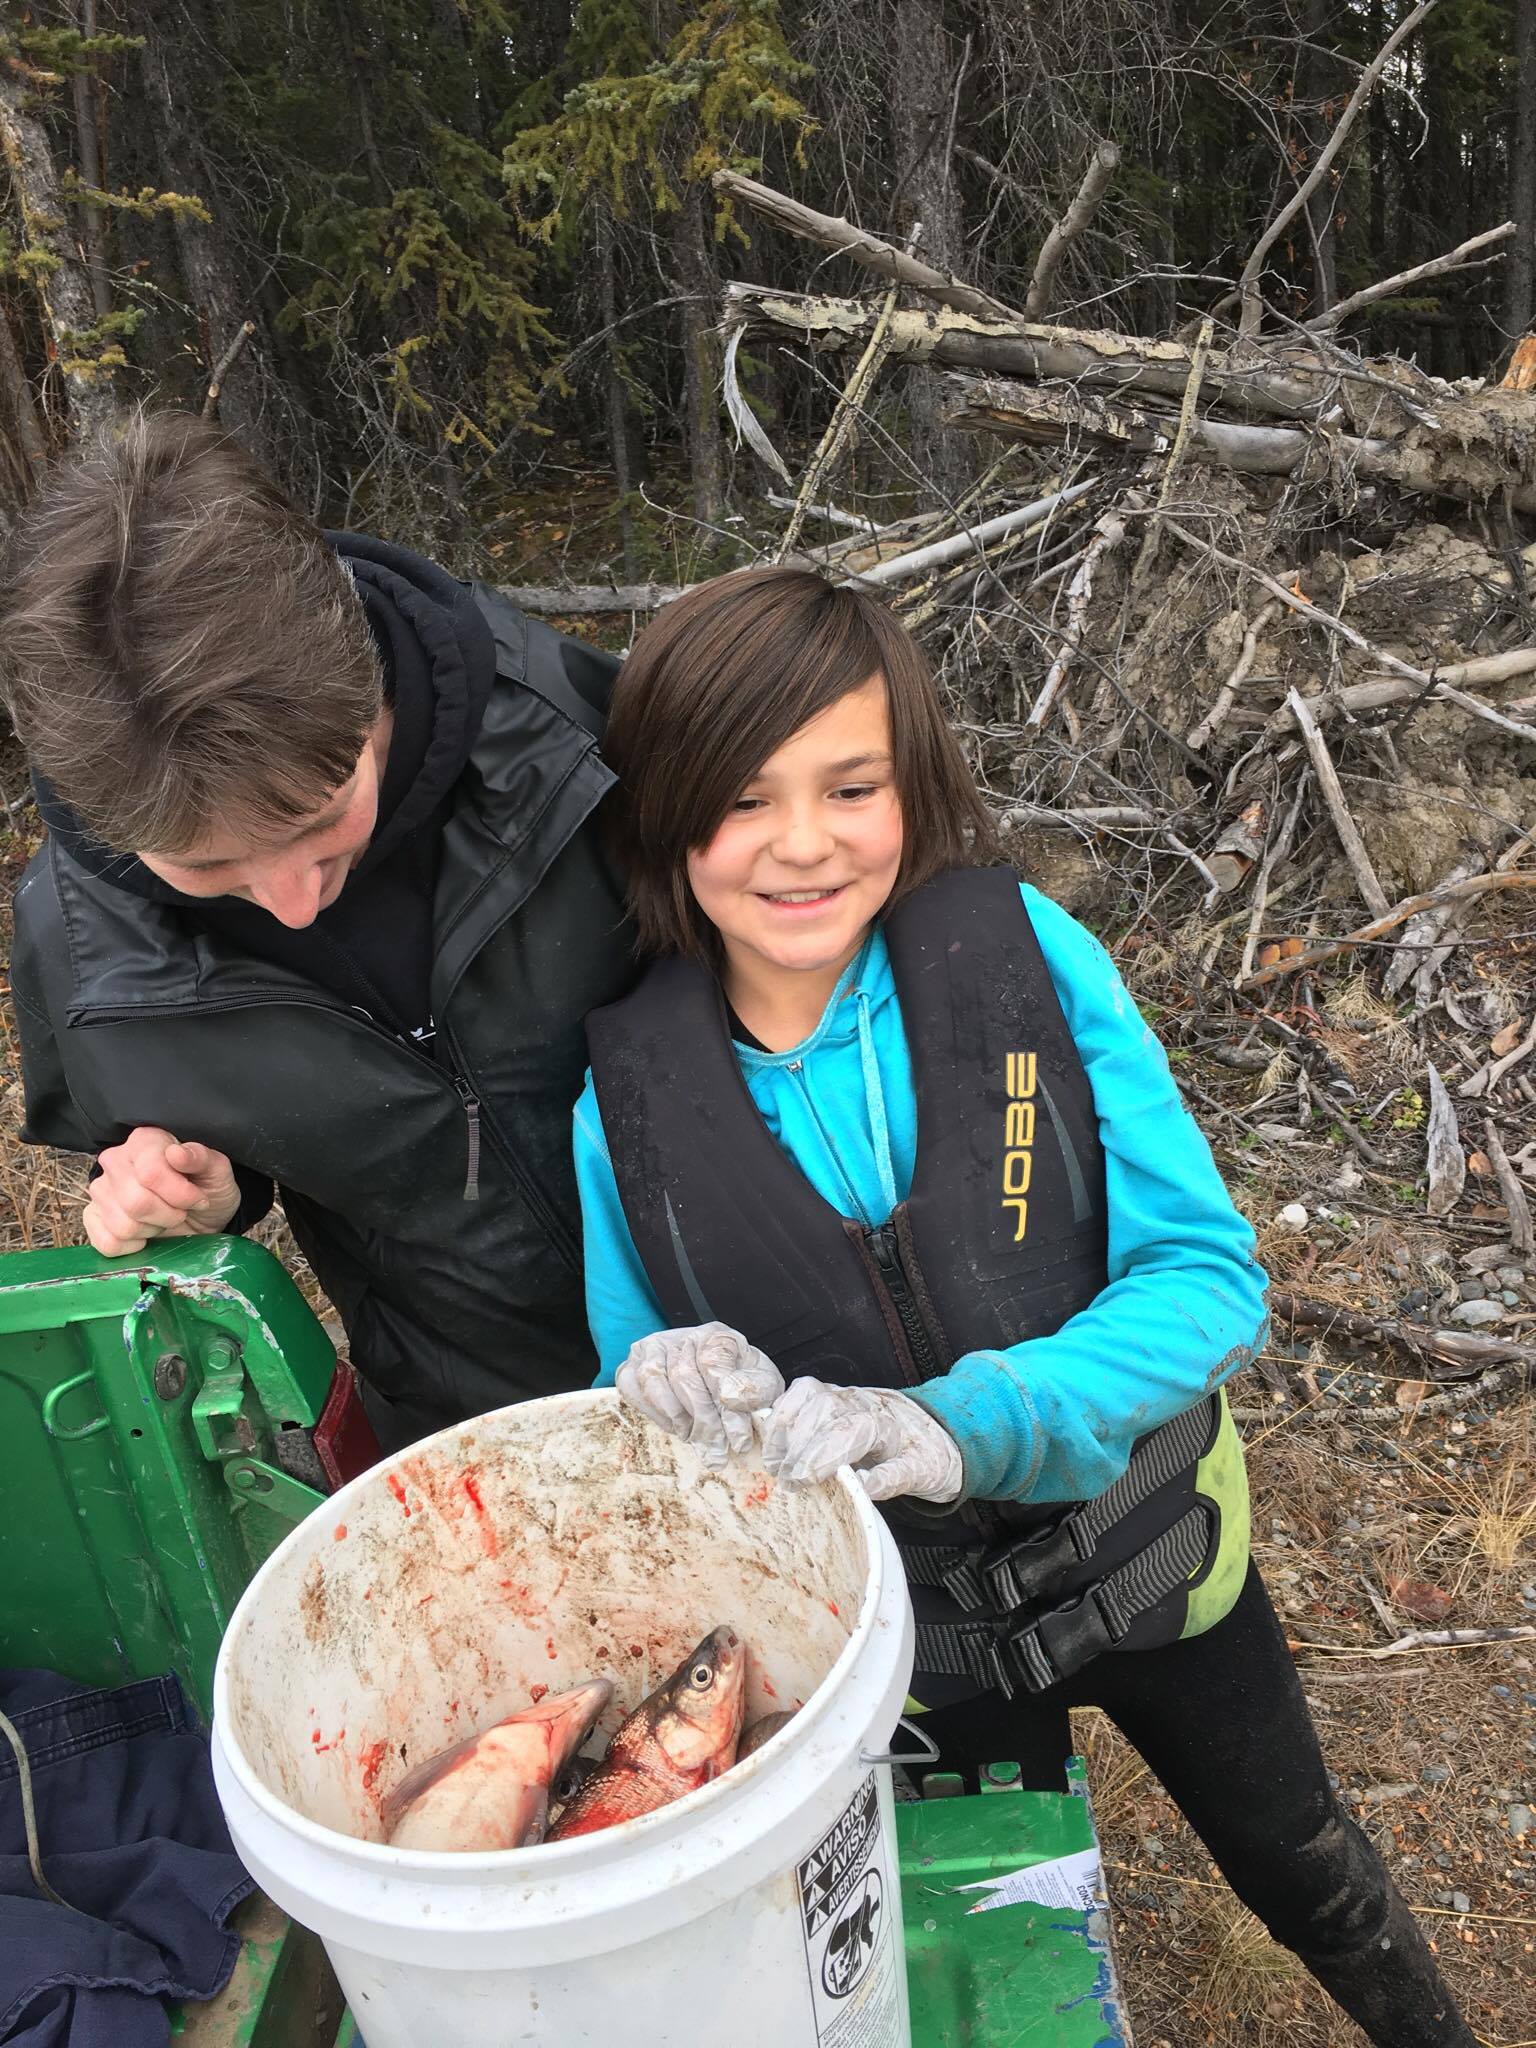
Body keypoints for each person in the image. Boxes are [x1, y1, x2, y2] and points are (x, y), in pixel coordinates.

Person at [570, 566, 1474, 2046]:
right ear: (663, 814)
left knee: (1303, 1861)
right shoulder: (626, 1105)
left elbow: (1206, 1277)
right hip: (916, 1644)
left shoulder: (1025, 962)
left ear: (913, 785)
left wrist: (962, 1420)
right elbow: (633, 1378)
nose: (801, 844)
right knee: (1003, 1924)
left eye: (849, 785)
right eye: (740, 800)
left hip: (1157, 1551)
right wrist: (663, 1377)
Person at [2, 410, 635, 1451]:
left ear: (373, 683)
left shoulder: (568, 725)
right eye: (209, 870)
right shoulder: (85, 949)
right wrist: (192, 1193)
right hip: (474, 1427)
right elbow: (208, 1143)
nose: (295, 901)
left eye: (318, 817)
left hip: (770, 1356)